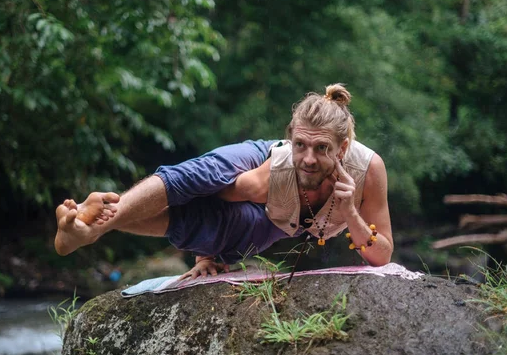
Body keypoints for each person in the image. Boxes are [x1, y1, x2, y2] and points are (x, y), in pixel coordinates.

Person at [55, 84, 393, 279]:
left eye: (322, 149)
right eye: (300, 145)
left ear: (343, 147)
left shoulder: (369, 171)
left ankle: (94, 227)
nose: (307, 159)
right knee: (202, 178)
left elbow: (381, 255)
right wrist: (205, 255)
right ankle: (93, 226)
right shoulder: (275, 168)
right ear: (290, 139)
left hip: (282, 221)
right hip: (254, 171)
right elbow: (219, 193)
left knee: (220, 231)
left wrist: (350, 213)